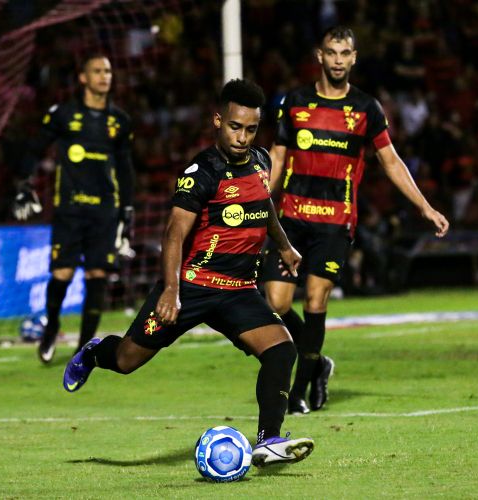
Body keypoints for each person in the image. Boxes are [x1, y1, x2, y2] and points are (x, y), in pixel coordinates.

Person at [62, 79, 314, 467]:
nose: (242, 137)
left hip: (238, 292)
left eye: (250, 129)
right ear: (218, 120)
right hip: (192, 287)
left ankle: (268, 440)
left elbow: (265, 206)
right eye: (235, 127)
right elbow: (174, 233)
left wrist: (283, 245)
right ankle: (96, 353)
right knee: (127, 360)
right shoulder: (201, 173)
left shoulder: (262, 161)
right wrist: (170, 290)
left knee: (281, 350)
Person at [262, 26, 449, 415]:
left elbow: (391, 161)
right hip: (292, 218)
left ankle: (298, 391)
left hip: (334, 221)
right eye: (331, 53)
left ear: (354, 58)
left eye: (345, 53)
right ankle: (318, 364)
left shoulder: (366, 108)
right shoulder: (294, 103)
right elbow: (277, 159)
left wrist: (424, 207)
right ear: (320, 55)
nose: (338, 61)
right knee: (276, 303)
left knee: (315, 299)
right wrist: (258, 203)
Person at [13, 54, 135, 364]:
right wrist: (24, 183)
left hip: (105, 211)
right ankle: (51, 326)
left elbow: (125, 169)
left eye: (107, 70)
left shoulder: (119, 121)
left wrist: (128, 209)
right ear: (83, 77)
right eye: (97, 71)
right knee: (62, 274)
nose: (104, 76)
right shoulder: (64, 114)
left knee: (97, 275)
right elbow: (33, 148)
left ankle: (84, 349)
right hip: (69, 209)